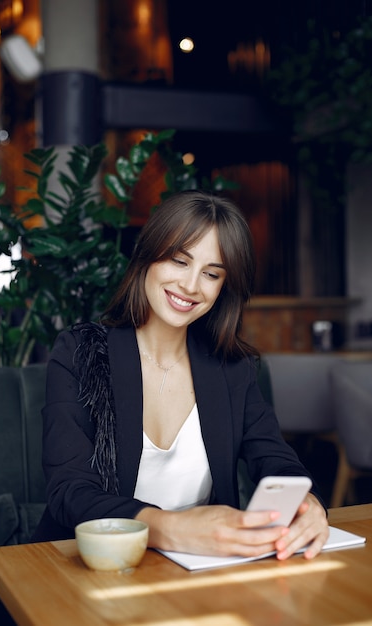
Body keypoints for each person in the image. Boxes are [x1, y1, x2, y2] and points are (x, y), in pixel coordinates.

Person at [32, 188, 329, 561]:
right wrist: (173, 528)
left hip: (196, 569)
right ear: (148, 257)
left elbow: (277, 460)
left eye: (211, 273)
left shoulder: (233, 368)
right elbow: (69, 491)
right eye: (179, 261)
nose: (190, 286)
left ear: (224, 287)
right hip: (87, 567)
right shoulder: (81, 352)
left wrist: (309, 504)